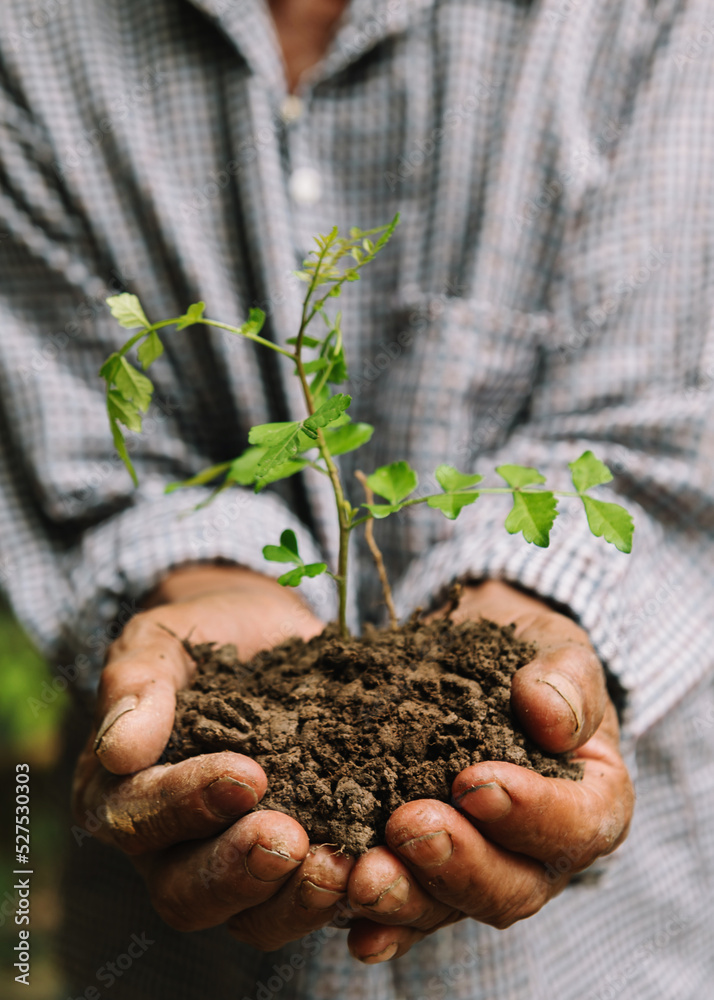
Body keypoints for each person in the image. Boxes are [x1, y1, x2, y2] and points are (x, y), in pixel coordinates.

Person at [0, 0, 712, 997]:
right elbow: (88, 458)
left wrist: (535, 607)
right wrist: (196, 581)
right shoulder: (31, 36)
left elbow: (668, 427)